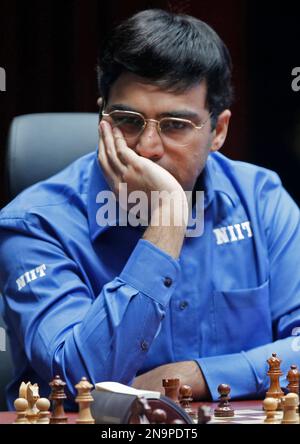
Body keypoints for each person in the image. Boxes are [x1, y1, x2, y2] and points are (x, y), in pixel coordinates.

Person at [0, 9, 299, 410]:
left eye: (175, 124)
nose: (147, 148)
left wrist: (198, 375)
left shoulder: (260, 200)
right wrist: (169, 219)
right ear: (102, 118)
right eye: (127, 120)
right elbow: (79, 382)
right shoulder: (35, 223)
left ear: (219, 131)